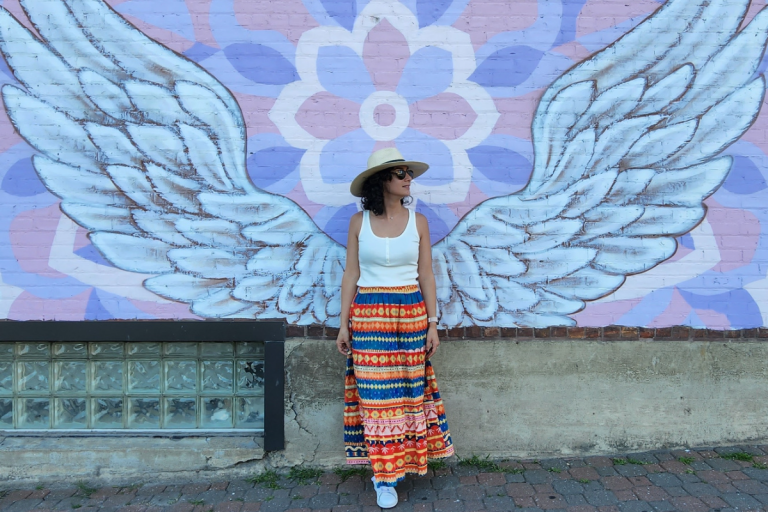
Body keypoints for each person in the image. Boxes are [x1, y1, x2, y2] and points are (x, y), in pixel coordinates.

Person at [335, 147, 454, 509]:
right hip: (369, 315)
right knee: (375, 399)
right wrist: (343, 324)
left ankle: (405, 464)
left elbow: (427, 274)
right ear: (381, 181)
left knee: (408, 393)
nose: (408, 178)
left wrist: (434, 323)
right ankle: (382, 476)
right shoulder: (359, 223)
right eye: (400, 172)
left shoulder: (419, 222)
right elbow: (351, 274)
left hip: (411, 313)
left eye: (408, 172)